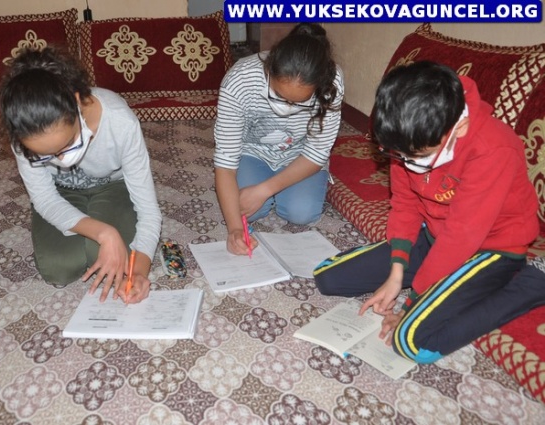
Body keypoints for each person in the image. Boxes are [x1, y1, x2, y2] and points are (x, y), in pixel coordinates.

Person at [313, 61, 545, 363]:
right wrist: (396, 273)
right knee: (328, 278)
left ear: (460, 127)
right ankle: (447, 280)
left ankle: (531, 284)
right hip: (435, 234)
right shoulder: (407, 132)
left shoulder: (492, 149)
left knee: (411, 342)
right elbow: (405, 204)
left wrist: (411, 302)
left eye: (418, 155)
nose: (406, 161)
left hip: (493, 247)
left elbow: (460, 238)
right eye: (399, 154)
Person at [0, 46, 161, 303]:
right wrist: (105, 232)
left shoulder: (121, 122)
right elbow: (45, 199)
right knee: (59, 268)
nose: (62, 160)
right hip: (61, 193)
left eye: (67, 145)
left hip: (113, 187)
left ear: (76, 102)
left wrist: (138, 272)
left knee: (109, 260)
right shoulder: (23, 132)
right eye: (45, 155)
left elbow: (149, 210)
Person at [214, 23, 344, 256]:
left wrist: (264, 189)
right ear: (268, 70)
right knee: (245, 210)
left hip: (300, 156)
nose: (287, 107)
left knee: (301, 213)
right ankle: (264, 188)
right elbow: (226, 160)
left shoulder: (331, 82)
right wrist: (234, 229)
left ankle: (273, 189)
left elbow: (317, 151)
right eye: (279, 96)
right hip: (252, 151)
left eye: (298, 102)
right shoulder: (240, 79)